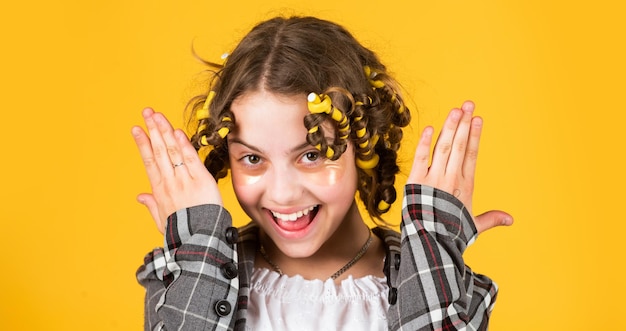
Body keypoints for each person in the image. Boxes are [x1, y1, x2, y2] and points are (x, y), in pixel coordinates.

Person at [132, 15, 513, 331]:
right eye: (252, 159)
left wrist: (433, 247)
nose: (281, 194)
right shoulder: (184, 270)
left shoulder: (446, 283)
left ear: (364, 145)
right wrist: (197, 243)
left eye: (312, 154)